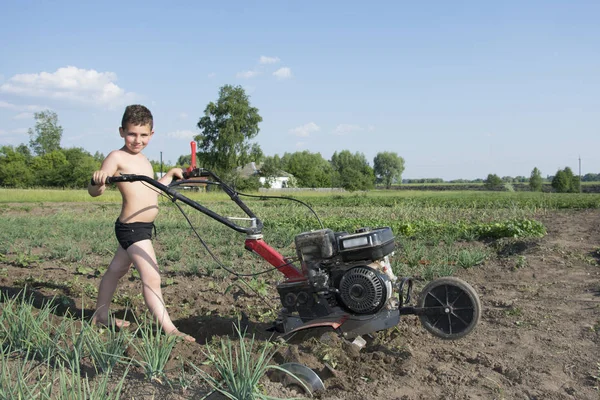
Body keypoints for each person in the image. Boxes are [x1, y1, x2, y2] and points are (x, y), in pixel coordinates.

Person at [88, 104, 195, 342]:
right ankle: (171, 330)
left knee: (117, 270)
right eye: (131, 134)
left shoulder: (144, 159)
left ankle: (101, 315)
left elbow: (152, 189)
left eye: (143, 135)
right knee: (152, 277)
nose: (137, 140)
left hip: (142, 228)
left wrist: (169, 175)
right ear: (121, 131)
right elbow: (95, 191)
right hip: (132, 229)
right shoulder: (117, 157)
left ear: (151, 134)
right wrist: (98, 181)